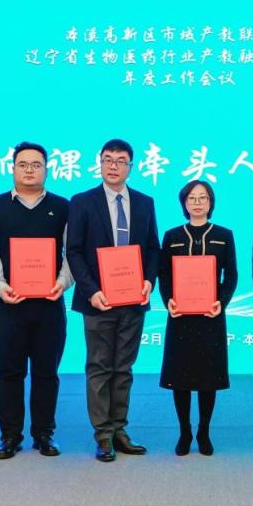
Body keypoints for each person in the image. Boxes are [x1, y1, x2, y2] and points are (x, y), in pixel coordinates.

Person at [0, 142, 72, 459]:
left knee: (47, 372)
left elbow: (71, 250)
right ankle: (9, 436)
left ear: (46, 169)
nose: (29, 169)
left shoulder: (63, 207)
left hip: (50, 304)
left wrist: (62, 282)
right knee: (9, 372)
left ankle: (44, 433)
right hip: (10, 304)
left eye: (36, 164)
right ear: (13, 168)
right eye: (23, 164)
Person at [67, 139, 161, 462]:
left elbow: (153, 248)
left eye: (120, 161)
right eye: (107, 159)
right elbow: (73, 251)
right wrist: (91, 290)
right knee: (99, 366)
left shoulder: (145, 203)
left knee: (124, 368)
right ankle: (103, 434)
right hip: (98, 300)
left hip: (133, 300)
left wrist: (149, 280)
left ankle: (120, 429)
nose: (113, 165)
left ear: (131, 167)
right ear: (100, 163)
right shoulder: (82, 201)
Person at [158, 181, 238, 456]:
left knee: (208, 377)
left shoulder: (224, 235)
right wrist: (168, 300)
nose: (197, 202)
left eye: (203, 197)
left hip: (210, 315)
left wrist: (221, 302)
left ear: (211, 202)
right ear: (184, 202)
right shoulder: (171, 236)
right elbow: (164, 275)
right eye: (192, 198)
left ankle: (204, 432)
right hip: (180, 316)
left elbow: (232, 275)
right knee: (179, 376)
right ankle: (184, 432)